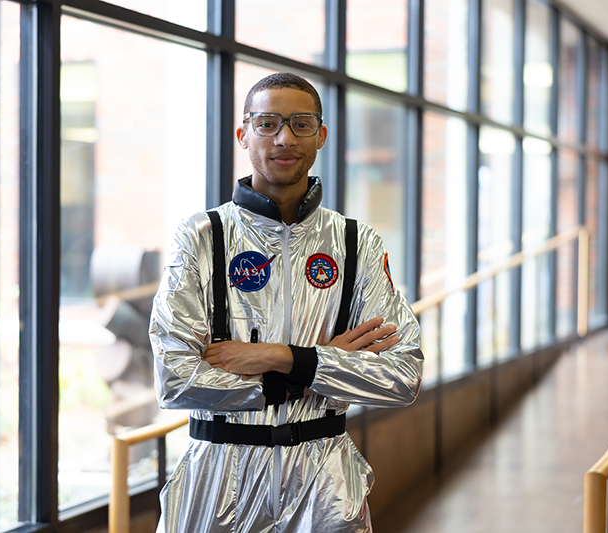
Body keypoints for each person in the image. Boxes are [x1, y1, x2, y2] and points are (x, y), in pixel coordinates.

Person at [149, 72, 423, 533]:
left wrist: (280, 357)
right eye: (267, 123)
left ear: (321, 135)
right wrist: (313, 370)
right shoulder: (201, 238)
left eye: (300, 123)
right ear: (242, 134)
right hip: (218, 481)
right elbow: (175, 379)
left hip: (325, 484)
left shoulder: (356, 244)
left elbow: (402, 377)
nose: (284, 138)